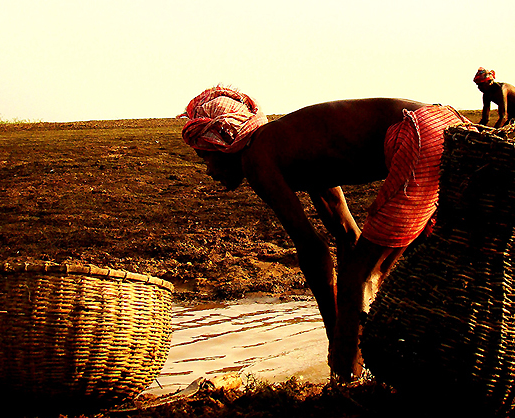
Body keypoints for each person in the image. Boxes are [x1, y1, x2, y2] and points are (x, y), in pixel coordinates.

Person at [180, 86, 473, 381]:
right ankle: (406, 364)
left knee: (360, 274)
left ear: (223, 143)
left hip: (418, 133)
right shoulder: (293, 144)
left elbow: (312, 250)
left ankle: (347, 381)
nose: (208, 171)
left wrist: (336, 340)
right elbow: (346, 233)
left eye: (204, 157)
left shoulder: (257, 158)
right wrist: (340, 327)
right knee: (401, 265)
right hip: (444, 124)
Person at [473, 67, 515, 133]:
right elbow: (485, 119)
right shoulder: (486, 95)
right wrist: (475, 130)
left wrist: (494, 133)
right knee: (503, 136)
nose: (479, 88)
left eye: (481, 84)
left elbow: (503, 116)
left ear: (489, 81)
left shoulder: (501, 89)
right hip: (513, 114)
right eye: (478, 85)